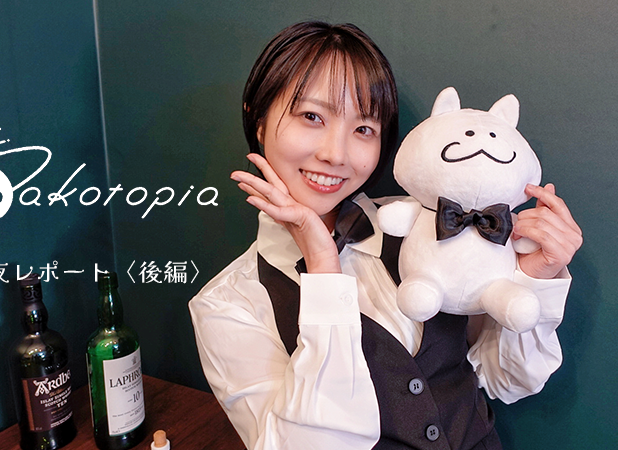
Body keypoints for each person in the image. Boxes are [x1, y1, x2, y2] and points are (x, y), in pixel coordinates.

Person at [188, 21, 582, 450]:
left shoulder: (426, 228)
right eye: (312, 116)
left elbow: (505, 380)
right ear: (258, 120)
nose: (335, 154)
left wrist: (535, 276)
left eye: (363, 129)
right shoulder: (228, 306)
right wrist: (323, 270)